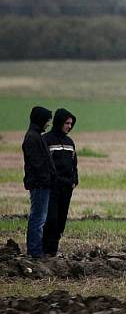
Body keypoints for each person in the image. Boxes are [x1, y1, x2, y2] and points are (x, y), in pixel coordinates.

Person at [42, 108, 79, 256]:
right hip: (52, 187)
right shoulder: (46, 140)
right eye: (67, 123)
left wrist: (75, 180)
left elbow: (74, 163)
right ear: (59, 122)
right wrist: (55, 180)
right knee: (50, 218)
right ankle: (44, 249)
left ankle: (53, 250)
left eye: (71, 123)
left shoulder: (70, 142)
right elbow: (46, 165)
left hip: (66, 188)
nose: (69, 126)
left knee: (61, 219)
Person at [22, 106, 56, 258]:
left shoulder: (36, 135)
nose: (48, 124)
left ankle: (36, 250)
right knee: (38, 218)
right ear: (41, 120)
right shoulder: (32, 137)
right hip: (40, 185)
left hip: (42, 184)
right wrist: (47, 180)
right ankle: (35, 252)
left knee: (39, 217)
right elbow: (38, 164)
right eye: (47, 120)